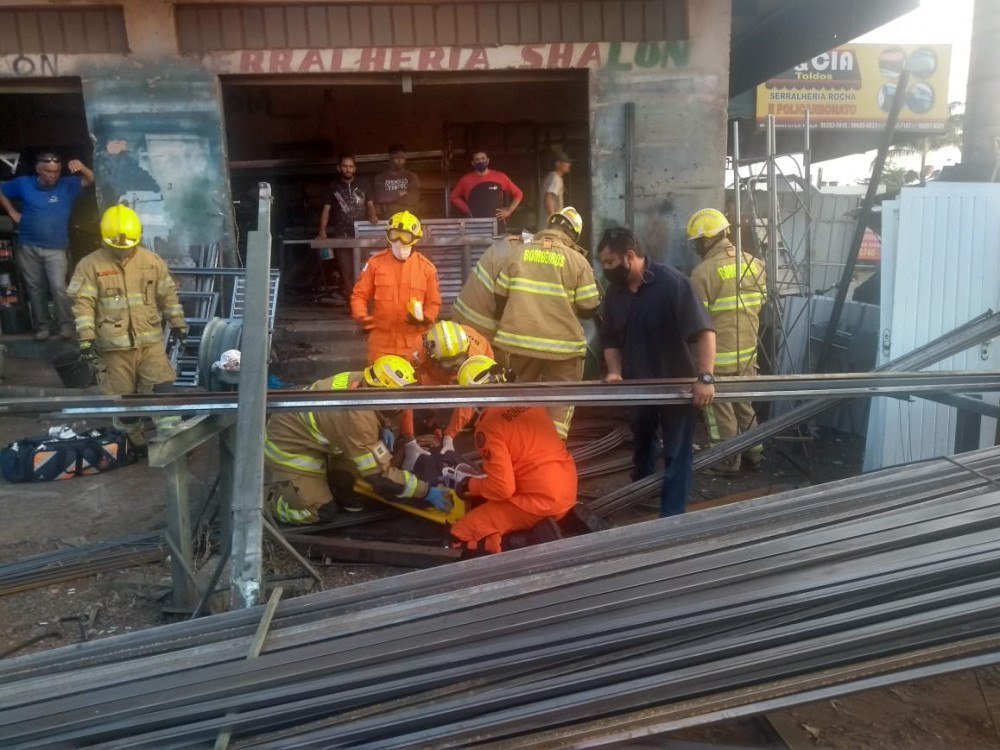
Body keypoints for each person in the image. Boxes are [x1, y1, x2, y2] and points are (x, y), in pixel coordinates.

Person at [598, 226, 716, 517]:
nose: (606, 270)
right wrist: (615, 372)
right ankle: (641, 494)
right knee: (641, 445)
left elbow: (704, 332)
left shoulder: (673, 283)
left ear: (629, 257)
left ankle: (670, 518)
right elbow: (610, 338)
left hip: (677, 384)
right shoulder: (615, 295)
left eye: (610, 263)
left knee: (677, 451)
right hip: (638, 386)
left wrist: (705, 377)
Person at [263, 355, 452, 525]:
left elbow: (376, 410)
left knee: (353, 479)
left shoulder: (364, 379)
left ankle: (333, 484)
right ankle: (275, 501)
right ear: (384, 393)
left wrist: (384, 426)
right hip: (289, 447)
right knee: (322, 511)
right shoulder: (358, 421)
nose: (403, 407)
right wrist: (425, 491)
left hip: (313, 431)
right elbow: (379, 474)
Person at [67, 205, 186, 452]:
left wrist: (178, 324)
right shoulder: (89, 266)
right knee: (124, 402)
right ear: (104, 239)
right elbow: (83, 305)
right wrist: (86, 339)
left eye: (129, 246)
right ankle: (131, 443)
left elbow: (168, 296)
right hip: (113, 349)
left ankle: (173, 440)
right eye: (117, 247)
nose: (124, 251)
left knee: (164, 388)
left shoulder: (152, 262)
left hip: (150, 343)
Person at [449, 355, 576, 555]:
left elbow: (503, 488)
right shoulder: (530, 401)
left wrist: (471, 486)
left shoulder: (488, 427)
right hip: (567, 487)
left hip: (539, 501)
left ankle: (528, 540)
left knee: (459, 536)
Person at [492, 206, 600, 439]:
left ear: (551, 225)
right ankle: (551, 453)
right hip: (563, 348)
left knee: (517, 400)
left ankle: (515, 446)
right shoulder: (577, 261)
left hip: (518, 343)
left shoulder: (516, 253)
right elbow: (589, 307)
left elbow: (499, 297)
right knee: (560, 406)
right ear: (573, 235)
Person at [688, 208, 767, 475]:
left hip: (717, 357)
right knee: (744, 405)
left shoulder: (703, 272)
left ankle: (726, 461)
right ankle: (754, 456)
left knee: (719, 411)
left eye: (698, 241)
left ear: (709, 238)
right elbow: (761, 304)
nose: (697, 247)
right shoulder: (754, 263)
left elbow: (696, 321)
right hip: (748, 352)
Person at [0, 152, 95, 340]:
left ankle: (66, 326)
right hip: (28, 245)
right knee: (35, 288)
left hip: (56, 248)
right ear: (38, 170)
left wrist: (82, 166)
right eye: (49, 171)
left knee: (59, 287)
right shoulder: (23, 183)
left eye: (57, 171)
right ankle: (42, 326)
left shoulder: (67, 185)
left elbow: (90, 179)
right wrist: (12, 212)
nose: (53, 175)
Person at [399, 320, 494, 461]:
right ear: (432, 356)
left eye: (458, 361)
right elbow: (405, 397)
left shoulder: (475, 356)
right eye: (449, 363)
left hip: (469, 369)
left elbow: (469, 398)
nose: (455, 368)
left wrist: (450, 435)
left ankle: (470, 427)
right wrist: (409, 439)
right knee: (426, 407)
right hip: (434, 375)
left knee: (476, 405)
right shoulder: (416, 354)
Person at [315, 154, 378, 302]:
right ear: (339, 168)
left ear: (355, 168)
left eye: (350, 166)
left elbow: (370, 205)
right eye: (344, 166)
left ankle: (366, 301)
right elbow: (326, 209)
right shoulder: (333, 186)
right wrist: (322, 231)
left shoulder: (364, 183)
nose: (348, 169)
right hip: (341, 233)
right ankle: (353, 303)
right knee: (347, 271)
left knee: (365, 269)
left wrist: (373, 216)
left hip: (361, 233)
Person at [451, 233, 521, 341]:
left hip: (462, 317)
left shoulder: (505, 247)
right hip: (481, 328)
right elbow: (501, 302)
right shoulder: (516, 257)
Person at [450, 150, 523, 228]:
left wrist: (509, 211)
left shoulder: (500, 176)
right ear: (473, 163)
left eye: (483, 158)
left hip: (497, 224)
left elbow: (518, 194)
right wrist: (467, 209)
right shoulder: (465, 180)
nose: (480, 161)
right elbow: (453, 196)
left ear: (487, 160)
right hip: (474, 224)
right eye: (477, 159)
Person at [372, 144, 420, 219]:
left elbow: (413, 199)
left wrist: (389, 200)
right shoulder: (381, 177)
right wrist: (402, 192)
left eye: (402, 158)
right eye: (397, 157)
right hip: (387, 220)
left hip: (408, 220)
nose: (400, 160)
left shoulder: (411, 176)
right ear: (390, 158)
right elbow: (381, 198)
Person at [538, 150, 572, 231]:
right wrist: (554, 220)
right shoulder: (555, 178)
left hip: (546, 226)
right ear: (558, 164)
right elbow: (548, 199)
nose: (569, 165)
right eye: (566, 162)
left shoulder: (552, 176)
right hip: (550, 228)